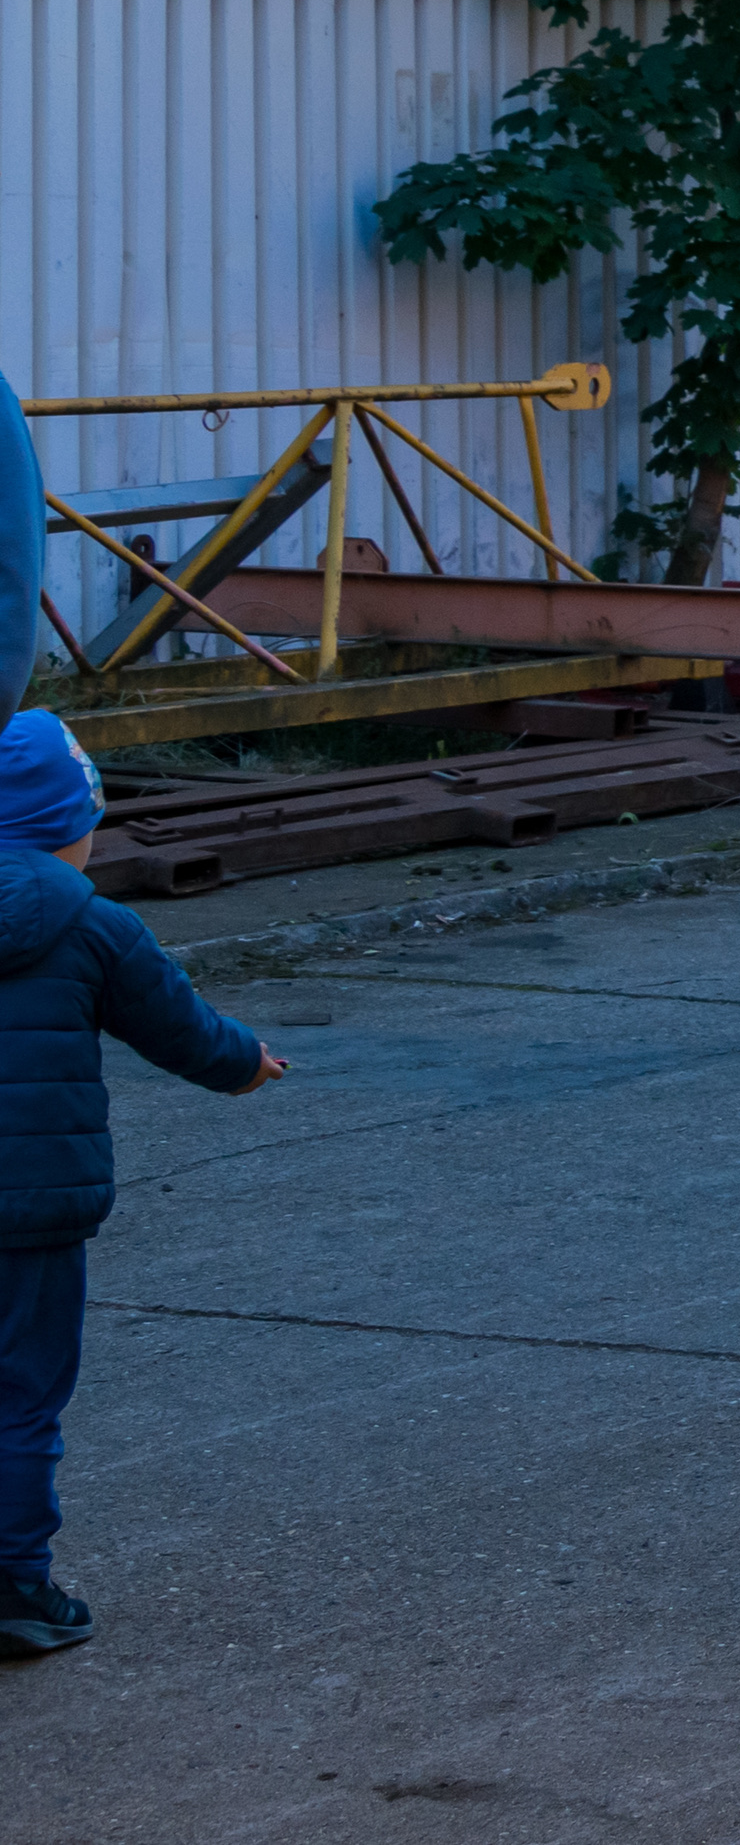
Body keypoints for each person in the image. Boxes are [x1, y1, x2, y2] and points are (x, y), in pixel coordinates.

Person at [0, 708, 279, 1657]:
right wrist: (246, 1063)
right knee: (18, 1394)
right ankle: (14, 1591)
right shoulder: (90, 923)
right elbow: (180, 1027)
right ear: (64, 824)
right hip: (30, 1208)